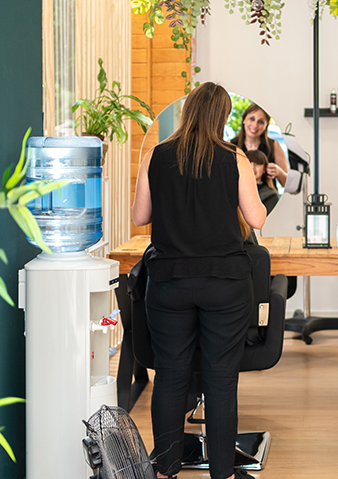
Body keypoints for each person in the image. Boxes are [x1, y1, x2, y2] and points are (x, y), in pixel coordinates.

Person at [132, 82, 266, 479]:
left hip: (169, 282)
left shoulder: (156, 155)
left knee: (170, 376)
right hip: (224, 284)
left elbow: (140, 217)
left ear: (188, 110)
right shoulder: (234, 157)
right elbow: (256, 218)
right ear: (223, 116)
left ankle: (166, 469)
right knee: (220, 379)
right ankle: (223, 473)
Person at [230, 103, 288, 188]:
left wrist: (279, 172)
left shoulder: (273, 145)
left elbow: (286, 184)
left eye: (261, 122)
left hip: (268, 196)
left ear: (266, 125)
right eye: (252, 119)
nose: (255, 125)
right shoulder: (230, 145)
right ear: (244, 120)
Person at [245, 149, 279, 215]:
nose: (252, 167)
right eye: (248, 163)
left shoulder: (271, 195)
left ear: (264, 169)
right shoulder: (234, 190)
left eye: (257, 164)